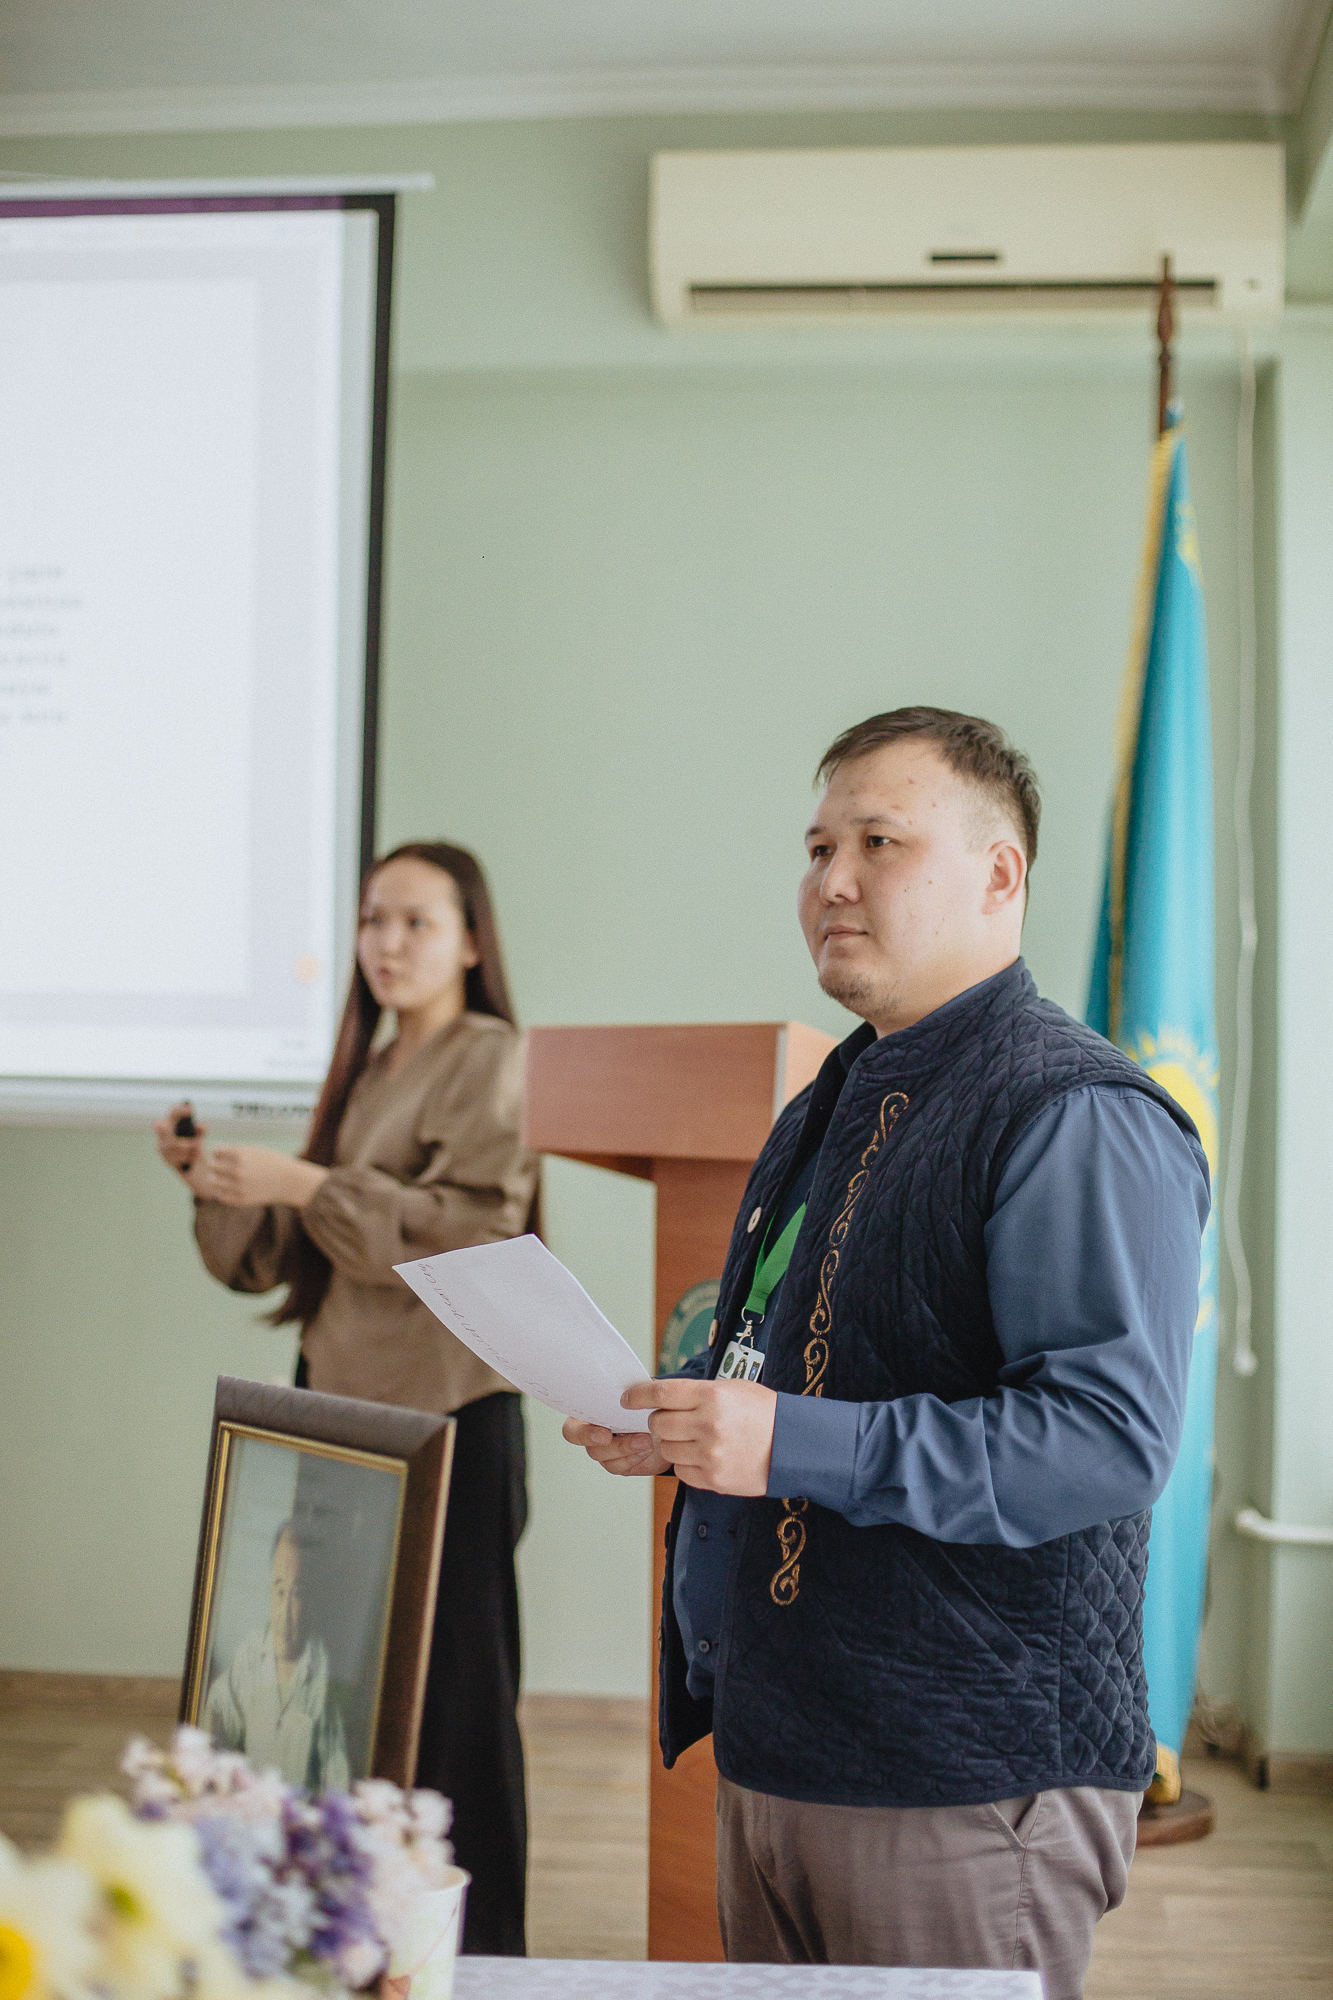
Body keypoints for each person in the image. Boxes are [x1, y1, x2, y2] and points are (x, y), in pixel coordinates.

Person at [564, 709, 1210, 1998]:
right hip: (785, 1738)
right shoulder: (831, 1098)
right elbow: (813, 1360)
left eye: (878, 842)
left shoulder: (1074, 1108)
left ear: (999, 874)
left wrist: (785, 1438)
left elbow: (1104, 1440)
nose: (833, 880)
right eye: (817, 848)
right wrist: (693, 1430)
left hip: (963, 1773)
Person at [155, 842, 538, 1956]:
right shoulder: (366, 1069)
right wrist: (219, 1181)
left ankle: (482, 1952)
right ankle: (355, 1934)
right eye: (373, 919)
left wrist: (307, 1182)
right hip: (339, 1415)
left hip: (446, 1418)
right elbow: (285, 1254)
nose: (386, 943)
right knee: (333, 1693)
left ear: (470, 940)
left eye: (416, 921)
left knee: (458, 1705)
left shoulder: (490, 1055)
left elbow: (471, 1230)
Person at [203, 1518, 350, 1792]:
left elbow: (337, 1779)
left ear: (313, 1600)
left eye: (297, 1594)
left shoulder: (324, 1675)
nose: (284, 1612)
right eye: (279, 1590)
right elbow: (217, 1708)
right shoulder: (252, 1653)